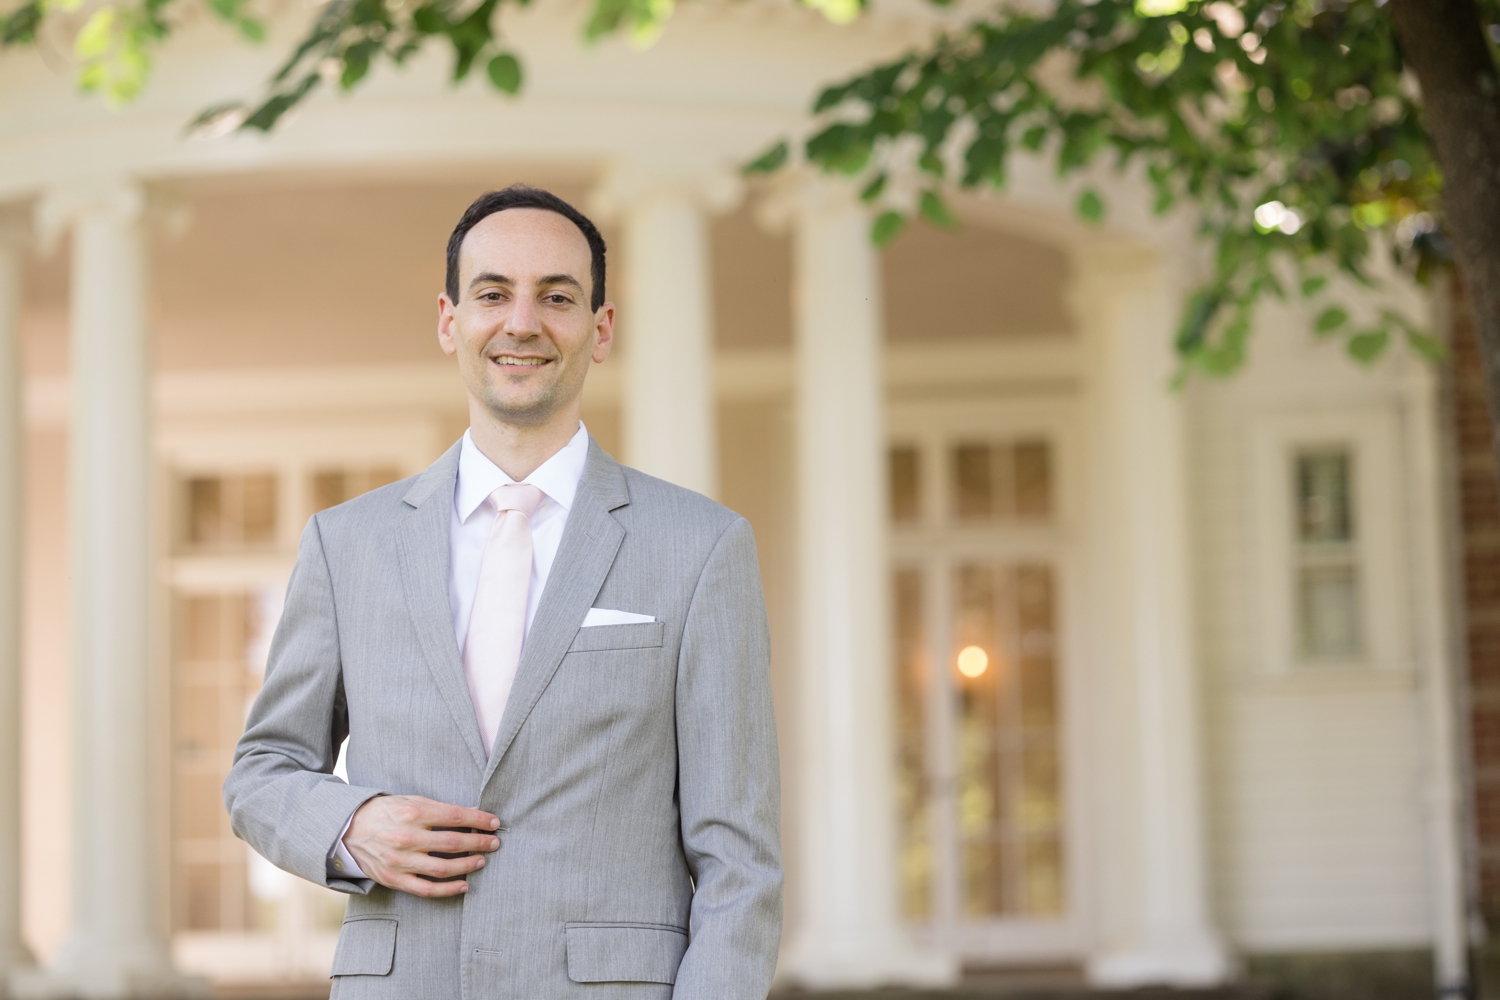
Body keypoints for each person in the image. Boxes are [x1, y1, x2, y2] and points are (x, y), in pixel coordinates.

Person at [224, 185, 783, 999]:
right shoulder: (347, 545)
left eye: (558, 296)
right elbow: (261, 771)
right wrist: (349, 825)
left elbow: (740, 861)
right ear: (450, 320)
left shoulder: (701, 548)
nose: (522, 321)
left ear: (602, 328)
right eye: (493, 294)